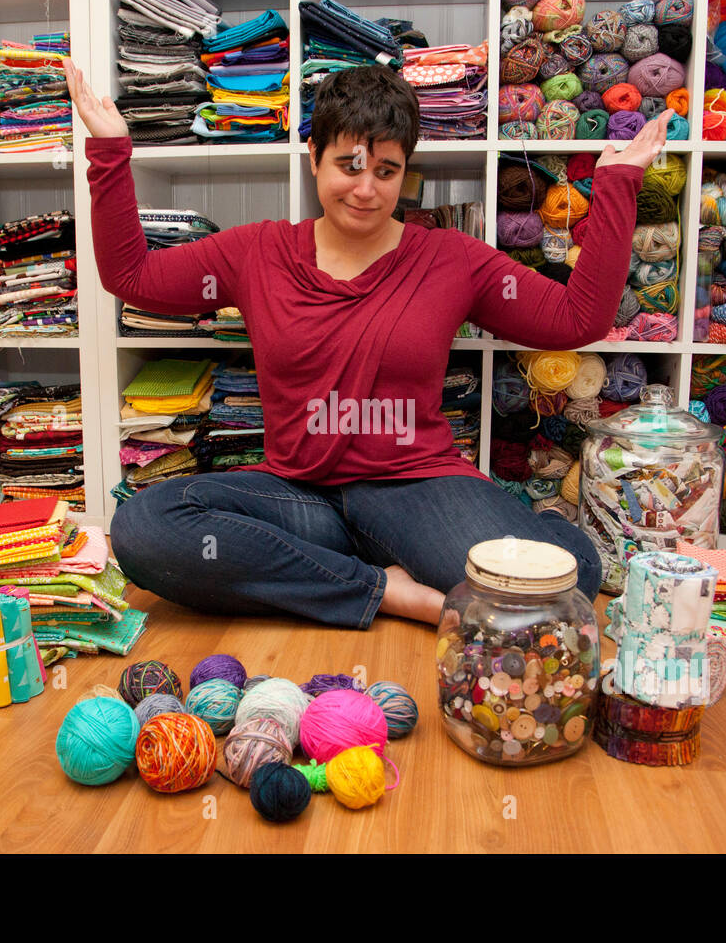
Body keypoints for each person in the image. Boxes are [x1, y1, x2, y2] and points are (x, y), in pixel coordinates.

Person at [68, 60, 669, 629]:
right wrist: (110, 151)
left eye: (386, 171)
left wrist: (618, 184)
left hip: (416, 487)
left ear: (404, 172)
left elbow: (577, 318)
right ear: (313, 157)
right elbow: (132, 277)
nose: (365, 189)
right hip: (299, 498)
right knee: (144, 528)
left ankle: (348, 571)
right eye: (348, 166)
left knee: (562, 585)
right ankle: (385, 590)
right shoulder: (256, 252)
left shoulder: (450, 259)